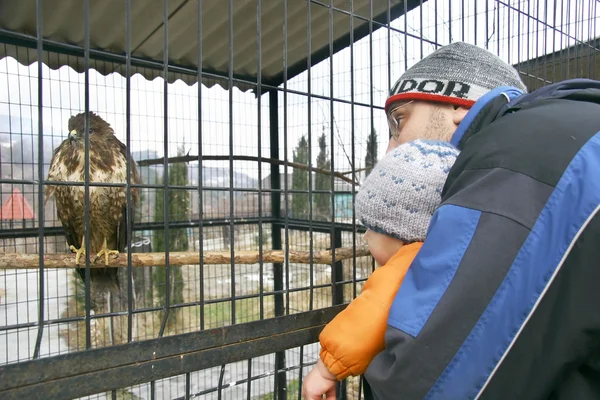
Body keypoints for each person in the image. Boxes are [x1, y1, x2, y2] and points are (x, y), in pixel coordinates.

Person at [363, 42, 600, 399]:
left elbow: (425, 385)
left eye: (399, 121)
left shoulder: (516, 155)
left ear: (458, 104)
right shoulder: (568, 129)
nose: (390, 151)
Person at [301, 139, 460, 400]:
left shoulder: (411, 262)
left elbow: (371, 313)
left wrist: (325, 371)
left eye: (372, 228)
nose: (365, 236)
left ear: (399, 232)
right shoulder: (453, 253)